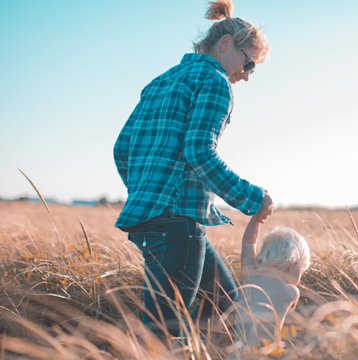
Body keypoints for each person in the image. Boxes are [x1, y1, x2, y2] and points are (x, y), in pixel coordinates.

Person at [112, 0, 273, 342]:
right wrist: (252, 198)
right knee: (160, 336)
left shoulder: (161, 81)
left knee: (226, 302)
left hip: (152, 217)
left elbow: (122, 149)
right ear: (226, 44)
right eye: (250, 65)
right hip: (177, 223)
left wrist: (146, 193)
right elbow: (199, 152)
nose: (246, 75)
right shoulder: (216, 82)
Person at [232, 214, 310, 350]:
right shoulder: (291, 292)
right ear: (291, 265)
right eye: (301, 270)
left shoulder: (250, 274)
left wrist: (257, 219)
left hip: (236, 353)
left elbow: (248, 242)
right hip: (264, 354)